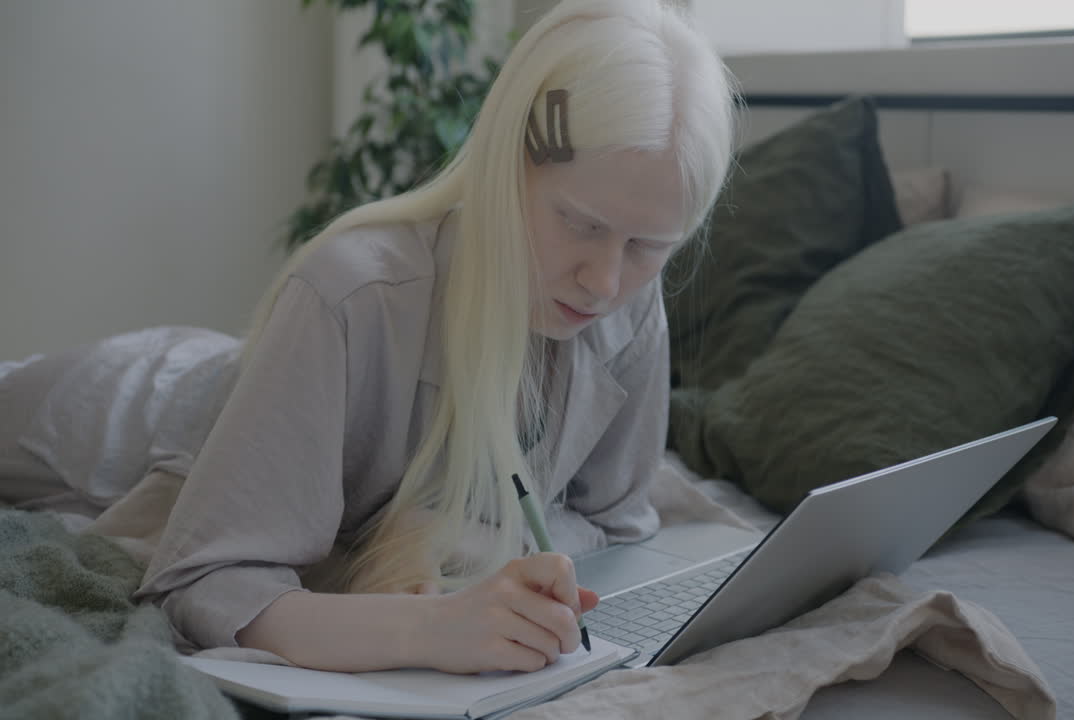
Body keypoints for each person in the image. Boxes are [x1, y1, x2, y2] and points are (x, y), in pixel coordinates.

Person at [0, 0, 735, 675]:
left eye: (649, 247)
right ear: (502, 167)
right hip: (113, 416)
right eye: (581, 224)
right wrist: (427, 631)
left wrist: (470, 540)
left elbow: (613, 524)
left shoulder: (630, 316)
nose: (604, 283)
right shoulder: (349, 293)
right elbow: (206, 581)